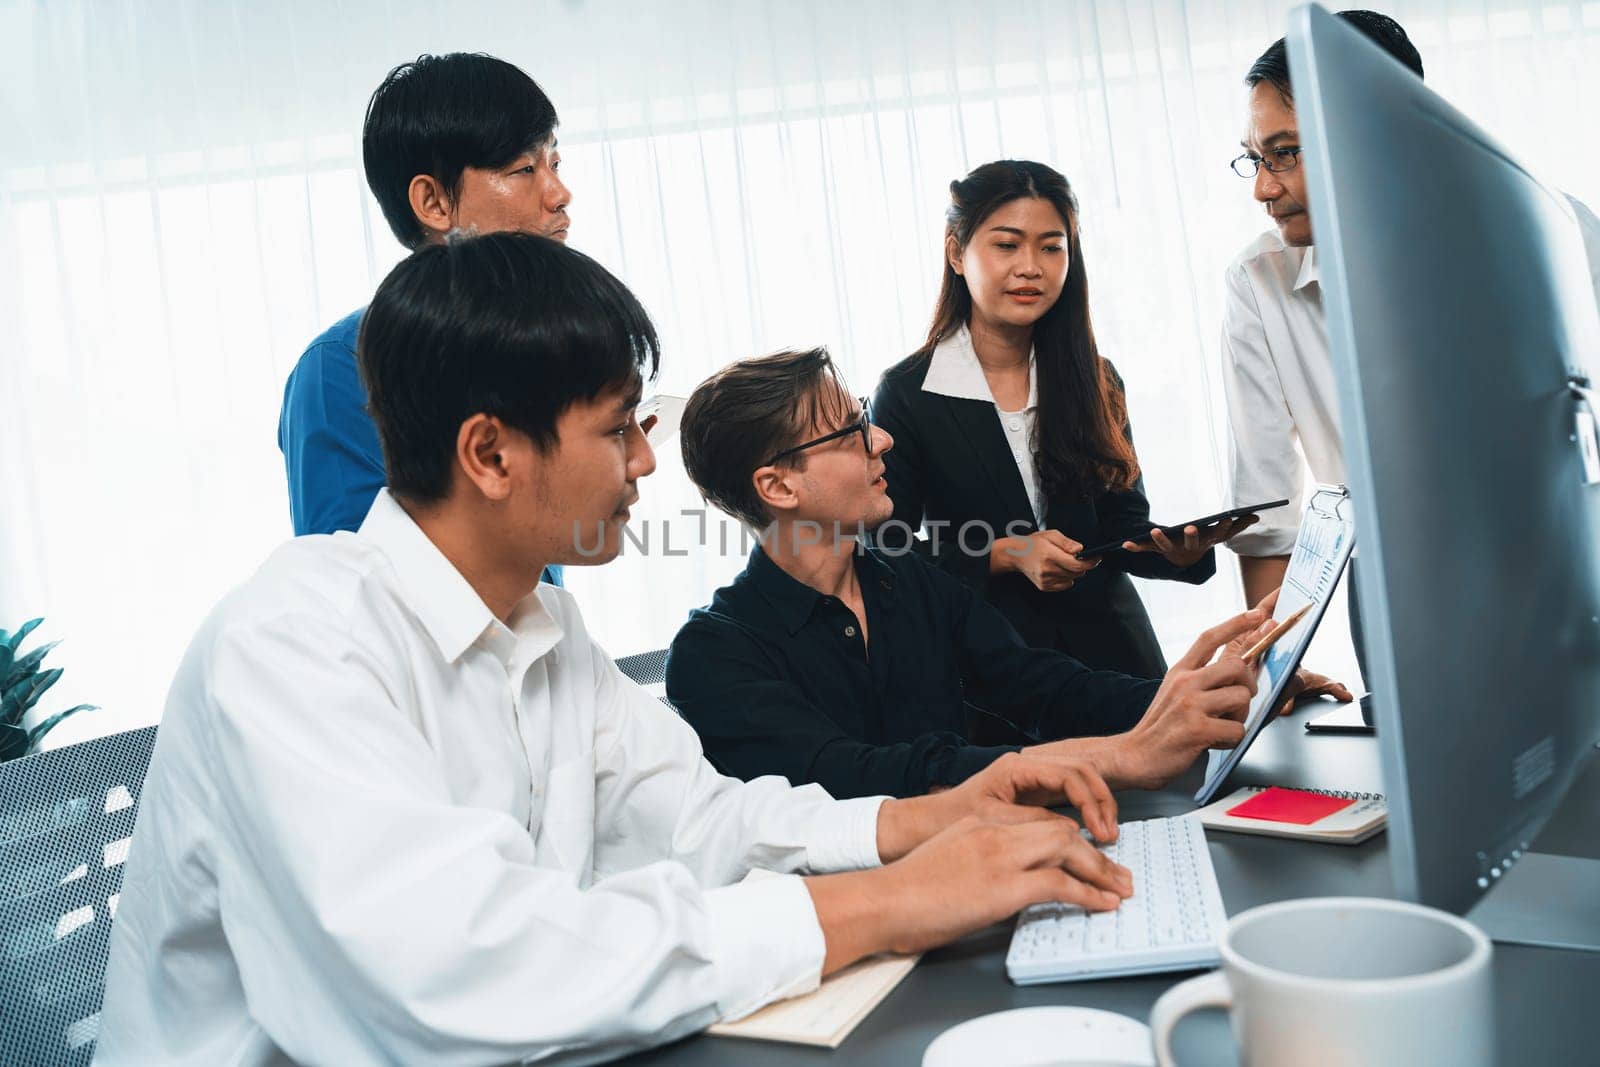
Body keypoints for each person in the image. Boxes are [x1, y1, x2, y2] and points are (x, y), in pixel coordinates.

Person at [97, 233, 1150, 1066]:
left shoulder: (544, 629)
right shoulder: (294, 642)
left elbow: (705, 820)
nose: (648, 461)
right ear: (492, 451)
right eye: (618, 429)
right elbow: (465, 971)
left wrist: (934, 817)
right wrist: (891, 899)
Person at [666, 347, 1310, 801]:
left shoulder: (909, 580)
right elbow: (862, 777)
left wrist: (1210, 692)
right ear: (777, 486)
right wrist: (1119, 758)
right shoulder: (714, 655)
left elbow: (1044, 687)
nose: (882, 440)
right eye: (851, 431)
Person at [1223, 10, 1600, 622]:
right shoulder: (1258, 282)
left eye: (1285, 153)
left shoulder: (1556, 232)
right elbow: (1268, 514)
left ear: (1378, 129)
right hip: (1398, 595)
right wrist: (1269, 678)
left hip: (1568, 566)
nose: (1262, 189)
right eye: (1254, 158)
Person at [870, 160, 1245, 680]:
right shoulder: (908, 393)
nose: (1032, 267)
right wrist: (1003, 554)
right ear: (957, 253)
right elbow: (885, 553)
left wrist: (1177, 553)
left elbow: (1120, 527)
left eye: (1052, 246)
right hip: (988, 669)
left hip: (1115, 660)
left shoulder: (1096, 378)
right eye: (1007, 245)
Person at [277, 52, 572, 588]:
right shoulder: (341, 369)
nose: (558, 194)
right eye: (524, 169)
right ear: (434, 202)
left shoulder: (532, 351)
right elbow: (357, 592)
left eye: (555, 162)